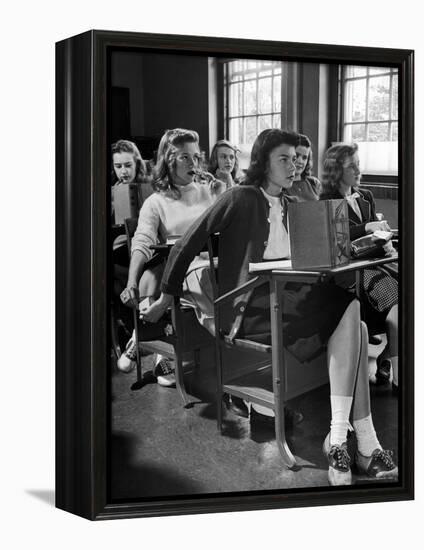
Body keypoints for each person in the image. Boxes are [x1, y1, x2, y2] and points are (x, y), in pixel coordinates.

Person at [141, 129, 398, 485]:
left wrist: (365, 242)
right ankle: (357, 441)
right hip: (250, 307)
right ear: (263, 162)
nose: (294, 166)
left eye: (296, 159)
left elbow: (319, 250)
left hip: (291, 299)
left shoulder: (292, 203)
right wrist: (167, 296)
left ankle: (342, 437)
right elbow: (188, 242)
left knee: (356, 319)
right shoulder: (240, 197)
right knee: (353, 316)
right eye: (285, 159)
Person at [117, 128, 225, 386]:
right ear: (168, 160)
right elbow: (142, 242)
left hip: (213, 263)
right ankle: (226, 342)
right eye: (184, 157)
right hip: (182, 269)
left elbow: (228, 231)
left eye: (196, 156)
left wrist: (222, 195)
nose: (193, 163)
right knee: (202, 276)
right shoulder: (155, 201)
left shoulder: (210, 190)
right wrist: (131, 282)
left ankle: (144, 334)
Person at [321, 143, 399, 391]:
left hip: (378, 263)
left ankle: (387, 356)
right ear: (336, 170)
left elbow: (376, 235)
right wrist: (366, 229)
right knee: (398, 309)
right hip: (354, 273)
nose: (358, 169)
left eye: (358, 163)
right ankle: (400, 380)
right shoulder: (325, 200)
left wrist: (385, 243)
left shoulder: (366, 197)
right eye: (351, 165)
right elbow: (334, 239)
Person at [285, 133, 321, 201]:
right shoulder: (281, 185)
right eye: (297, 156)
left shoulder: (314, 183)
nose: (300, 161)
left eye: (304, 158)